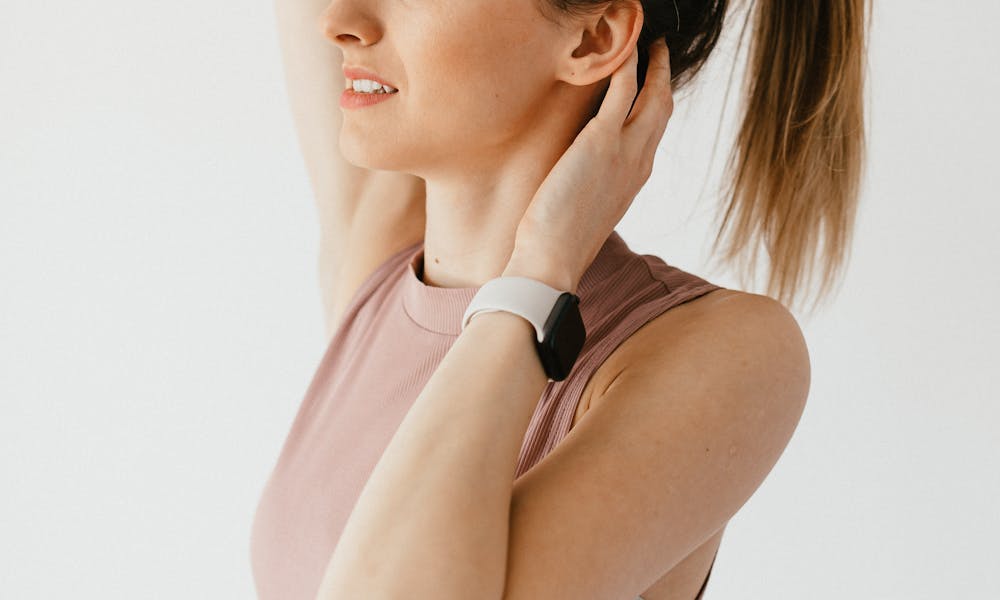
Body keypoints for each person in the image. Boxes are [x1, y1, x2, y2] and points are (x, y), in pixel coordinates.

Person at [251, 1, 868, 599]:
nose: (339, 23)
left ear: (594, 38)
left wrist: (541, 275)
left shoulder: (723, 354)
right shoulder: (380, 262)